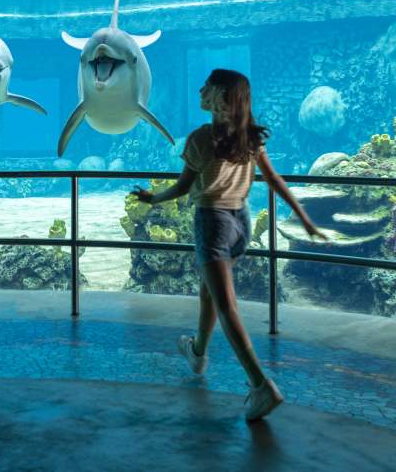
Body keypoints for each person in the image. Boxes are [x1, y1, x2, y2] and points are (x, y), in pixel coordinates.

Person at [131, 69, 328, 422]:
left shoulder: (199, 139)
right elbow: (274, 181)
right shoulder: (250, 137)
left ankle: (260, 385)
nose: (201, 89)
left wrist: (152, 198)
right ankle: (198, 352)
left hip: (213, 223)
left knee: (227, 308)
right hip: (242, 222)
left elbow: (181, 187)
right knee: (210, 293)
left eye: (208, 86)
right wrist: (306, 219)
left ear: (221, 99)